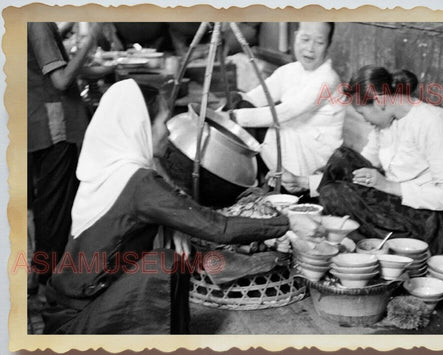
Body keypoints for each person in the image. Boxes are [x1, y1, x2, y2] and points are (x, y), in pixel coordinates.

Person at [41, 79, 290, 334]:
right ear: (142, 128)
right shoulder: (139, 183)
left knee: (174, 259)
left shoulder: (108, 168)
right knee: (166, 263)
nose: (169, 133)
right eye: (163, 122)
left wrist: (172, 224)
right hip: (79, 318)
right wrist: (287, 223)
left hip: (65, 303)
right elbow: (219, 228)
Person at [316, 66, 443, 255]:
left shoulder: (431, 122)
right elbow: (358, 165)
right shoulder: (387, 120)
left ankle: (340, 235)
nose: (365, 119)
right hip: (398, 207)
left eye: (362, 113)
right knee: (341, 158)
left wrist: (387, 185)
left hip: (428, 222)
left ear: (379, 101)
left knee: (334, 193)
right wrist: (308, 180)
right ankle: (320, 221)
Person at [223, 22, 346, 193]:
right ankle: (250, 181)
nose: (310, 49)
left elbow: (286, 112)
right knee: (238, 101)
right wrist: (223, 111)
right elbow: (254, 97)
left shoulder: (328, 79)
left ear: (328, 46)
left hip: (310, 157)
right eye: (305, 39)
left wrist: (232, 117)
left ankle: (243, 184)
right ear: (295, 36)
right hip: (291, 139)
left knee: (247, 123)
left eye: (319, 43)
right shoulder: (289, 71)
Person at [27, 22, 104, 287]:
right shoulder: (35, 20)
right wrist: (90, 40)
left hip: (33, 118)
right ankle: (52, 284)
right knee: (54, 209)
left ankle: (44, 276)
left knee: (45, 204)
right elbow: (60, 80)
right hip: (52, 124)